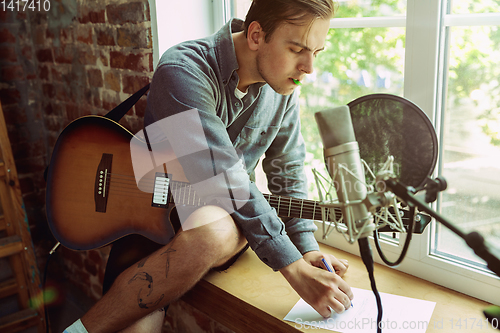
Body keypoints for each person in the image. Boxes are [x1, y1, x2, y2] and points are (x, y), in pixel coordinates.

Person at [63, 0, 353, 332]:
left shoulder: (282, 88)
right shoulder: (183, 70)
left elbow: (287, 170)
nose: (309, 68)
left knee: (220, 226)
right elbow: (226, 178)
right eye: (297, 49)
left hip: (212, 221)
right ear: (256, 34)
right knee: (218, 229)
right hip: (151, 223)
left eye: (317, 52)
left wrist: (307, 249)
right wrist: (294, 268)